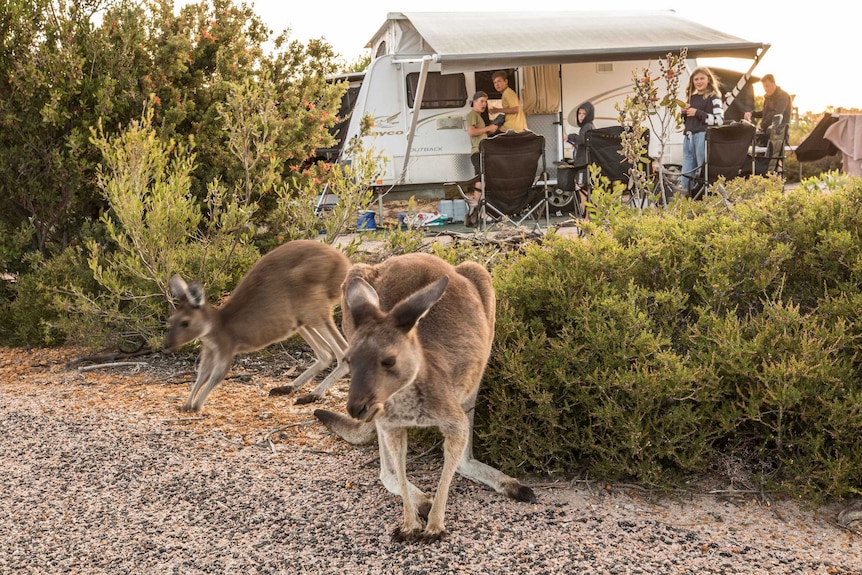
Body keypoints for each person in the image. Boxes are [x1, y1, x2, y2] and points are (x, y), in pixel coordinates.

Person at [680, 66, 724, 194]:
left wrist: (698, 113)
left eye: (702, 78)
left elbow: (719, 120)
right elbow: (687, 121)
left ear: (708, 80)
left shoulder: (713, 97)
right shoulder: (691, 99)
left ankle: (708, 199)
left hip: (703, 137)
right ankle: (686, 201)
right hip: (688, 138)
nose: (699, 82)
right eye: (696, 79)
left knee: (704, 173)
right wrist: (683, 114)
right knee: (686, 174)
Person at [465, 91, 499, 226]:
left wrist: (491, 130)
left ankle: (478, 211)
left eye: (486, 101)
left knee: (483, 180)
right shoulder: (472, 115)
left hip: (483, 152)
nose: (484, 104)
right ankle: (476, 210)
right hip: (477, 152)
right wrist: (488, 128)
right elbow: (471, 131)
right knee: (481, 180)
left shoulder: (479, 116)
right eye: (481, 101)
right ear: (474, 101)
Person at [743, 74, 793, 144]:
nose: (765, 89)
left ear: (773, 84)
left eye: (767, 86)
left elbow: (776, 114)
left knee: (773, 155)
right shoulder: (768, 97)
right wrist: (752, 113)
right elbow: (765, 113)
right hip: (766, 135)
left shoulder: (783, 96)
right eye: (764, 86)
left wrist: (761, 126)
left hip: (778, 137)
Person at [566, 101, 595, 216]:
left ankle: (586, 219)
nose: (581, 116)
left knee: (583, 193)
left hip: (583, 166)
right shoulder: (588, 126)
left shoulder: (587, 126)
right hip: (585, 165)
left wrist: (570, 137)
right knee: (586, 193)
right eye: (579, 113)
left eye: (584, 114)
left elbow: (583, 140)